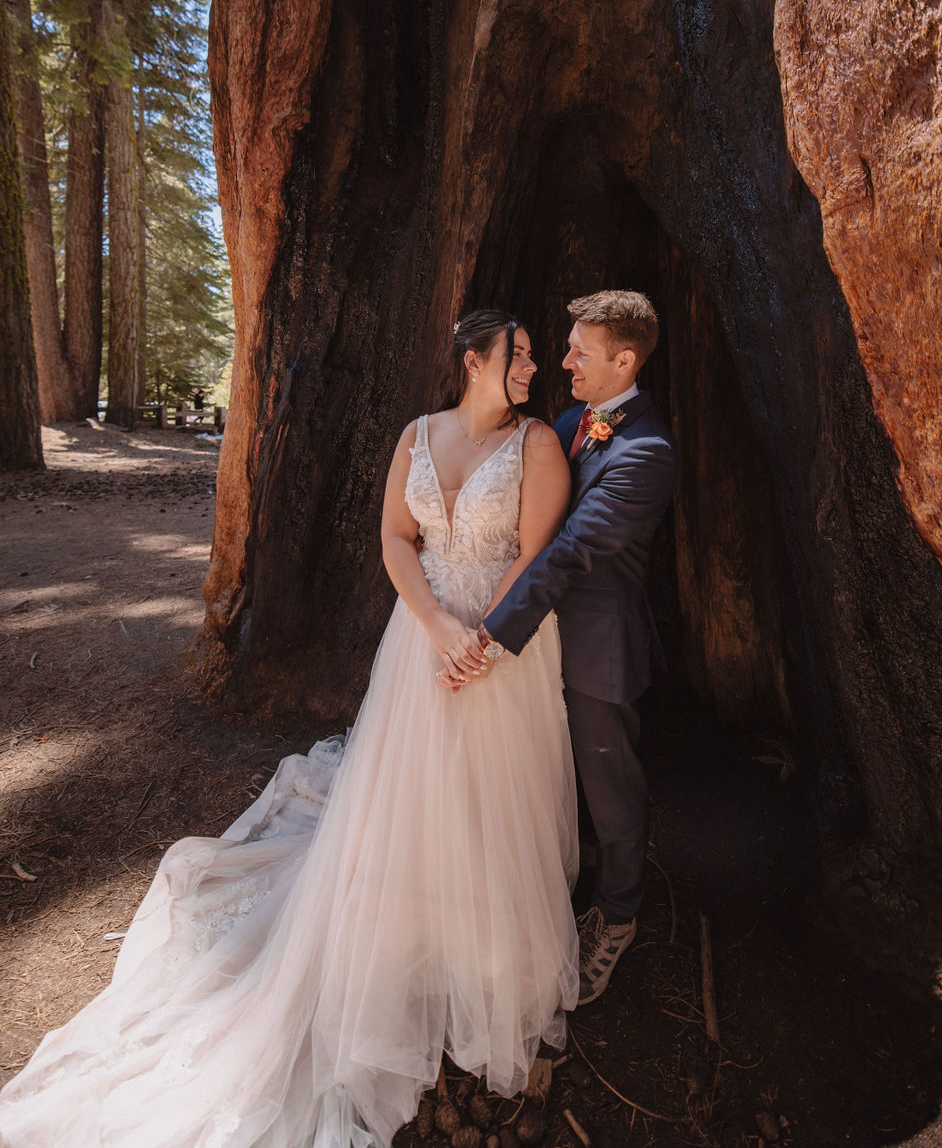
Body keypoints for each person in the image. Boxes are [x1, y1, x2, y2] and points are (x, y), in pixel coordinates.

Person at [0, 311, 579, 1148]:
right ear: (472, 359)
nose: (531, 367)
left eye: (531, 355)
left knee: (493, 791)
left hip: (502, 645)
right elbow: (394, 537)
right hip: (422, 642)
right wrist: (435, 628)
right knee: (409, 790)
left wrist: (482, 638)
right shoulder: (417, 434)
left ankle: (482, 945)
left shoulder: (538, 447)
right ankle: (411, 919)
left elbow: (536, 556)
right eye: (518, 353)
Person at [479, 290, 676, 1005]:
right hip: (541, 644)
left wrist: (491, 633)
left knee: (610, 786)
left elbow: (570, 551)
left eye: (579, 352)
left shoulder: (647, 451)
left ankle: (618, 915)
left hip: (597, 644)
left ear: (624, 360)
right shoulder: (567, 423)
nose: (564, 362)